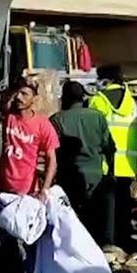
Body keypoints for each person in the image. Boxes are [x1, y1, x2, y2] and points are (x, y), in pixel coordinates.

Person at [0, 77, 59, 273]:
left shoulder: (42, 124)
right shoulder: (9, 117)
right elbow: (3, 103)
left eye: (25, 94)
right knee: (6, 239)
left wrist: (44, 190)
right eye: (18, 94)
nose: (20, 98)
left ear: (34, 99)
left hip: (28, 191)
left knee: (28, 241)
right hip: (5, 189)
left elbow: (52, 160)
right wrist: (15, 89)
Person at [50, 81, 116, 245]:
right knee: (95, 217)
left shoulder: (57, 119)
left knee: (72, 219)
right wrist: (111, 172)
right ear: (83, 97)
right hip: (95, 175)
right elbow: (110, 147)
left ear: (64, 98)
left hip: (68, 176)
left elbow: (51, 151)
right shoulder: (97, 117)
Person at [88, 64, 137, 249]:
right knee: (124, 204)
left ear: (106, 80)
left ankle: (108, 241)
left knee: (106, 205)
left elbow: (92, 131)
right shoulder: (132, 103)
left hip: (105, 162)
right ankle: (125, 238)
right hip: (127, 163)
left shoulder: (98, 101)